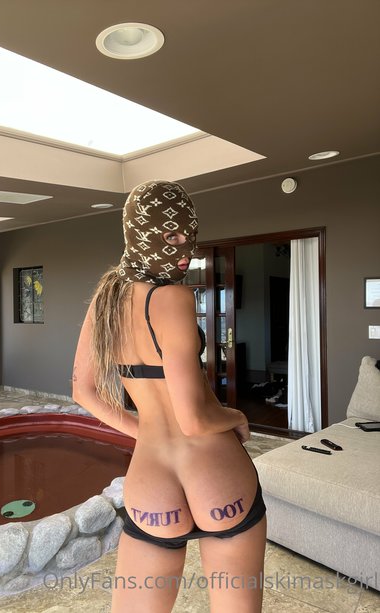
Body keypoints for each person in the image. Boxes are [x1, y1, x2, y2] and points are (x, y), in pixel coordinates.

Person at [72, 180, 267, 612]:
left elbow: (82, 391)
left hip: (151, 482)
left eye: (190, 234)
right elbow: (195, 419)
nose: (186, 248)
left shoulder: (105, 300)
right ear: (140, 234)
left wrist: (145, 431)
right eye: (172, 235)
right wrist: (235, 416)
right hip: (216, 472)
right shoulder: (174, 297)